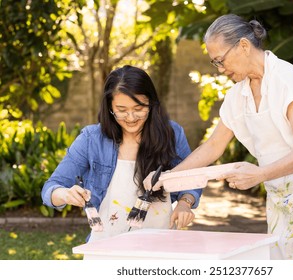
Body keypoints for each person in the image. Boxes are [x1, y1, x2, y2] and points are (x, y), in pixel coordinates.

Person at [145, 14, 293, 260]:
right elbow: (213, 146)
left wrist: (260, 174)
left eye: (220, 60)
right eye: (215, 64)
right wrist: (167, 177)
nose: (221, 70)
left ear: (243, 45)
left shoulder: (287, 78)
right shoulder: (237, 95)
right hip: (278, 196)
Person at [41, 65, 202, 242]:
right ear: (109, 107)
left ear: (151, 103)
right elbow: (50, 188)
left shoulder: (172, 134)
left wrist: (185, 203)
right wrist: (64, 194)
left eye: (139, 108)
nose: (131, 117)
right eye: (122, 110)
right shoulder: (91, 139)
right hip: (105, 243)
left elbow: (190, 178)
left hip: (159, 241)